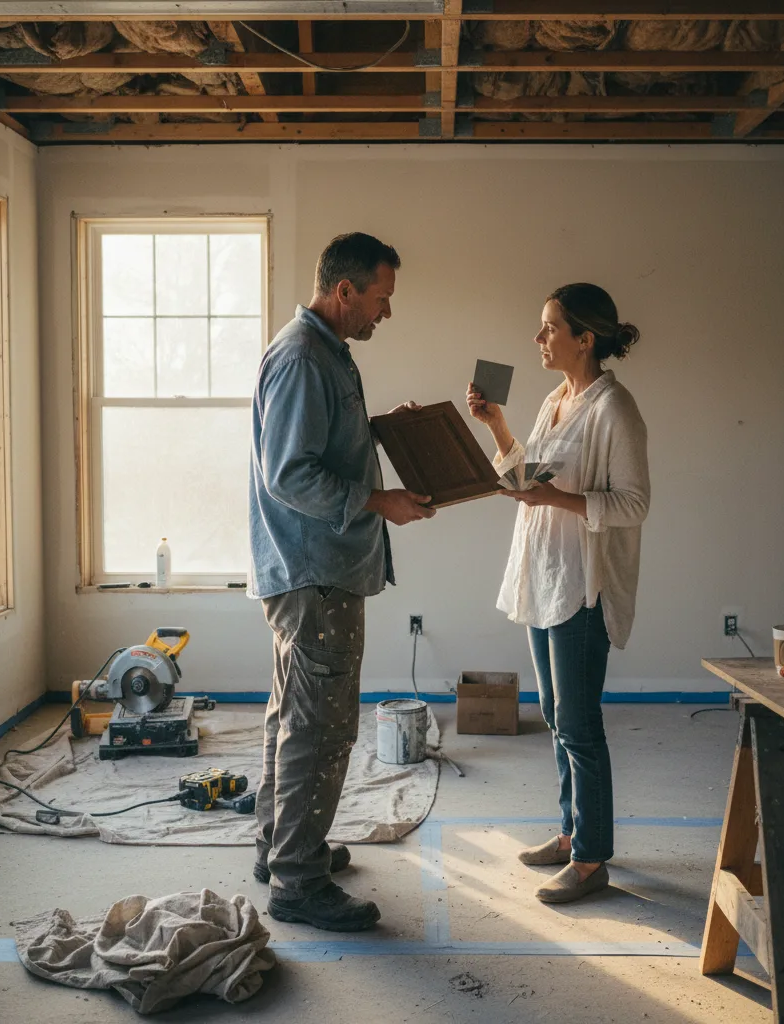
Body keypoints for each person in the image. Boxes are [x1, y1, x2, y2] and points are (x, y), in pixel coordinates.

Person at [249, 231, 434, 932]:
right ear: (345, 291)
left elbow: (325, 445)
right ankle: (298, 882)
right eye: (380, 300)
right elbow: (290, 473)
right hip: (314, 570)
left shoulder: (327, 353)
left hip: (309, 569)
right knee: (321, 729)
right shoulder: (302, 358)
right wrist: (378, 501)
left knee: (291, 715)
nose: (385, 313)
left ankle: (281, 848)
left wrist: (387, 431)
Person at [467, 282, 650, 904]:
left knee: (578, 722)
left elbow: (633, 503)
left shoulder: (613, 409)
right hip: (542, 575)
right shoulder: (556, 400)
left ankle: (593, 857)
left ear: (584, 338)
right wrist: (496, 425)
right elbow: (526, 478)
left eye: (549, 328)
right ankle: (574, 835)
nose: (539, 338)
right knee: (554, 718)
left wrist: (556, 498)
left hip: (581, 587)